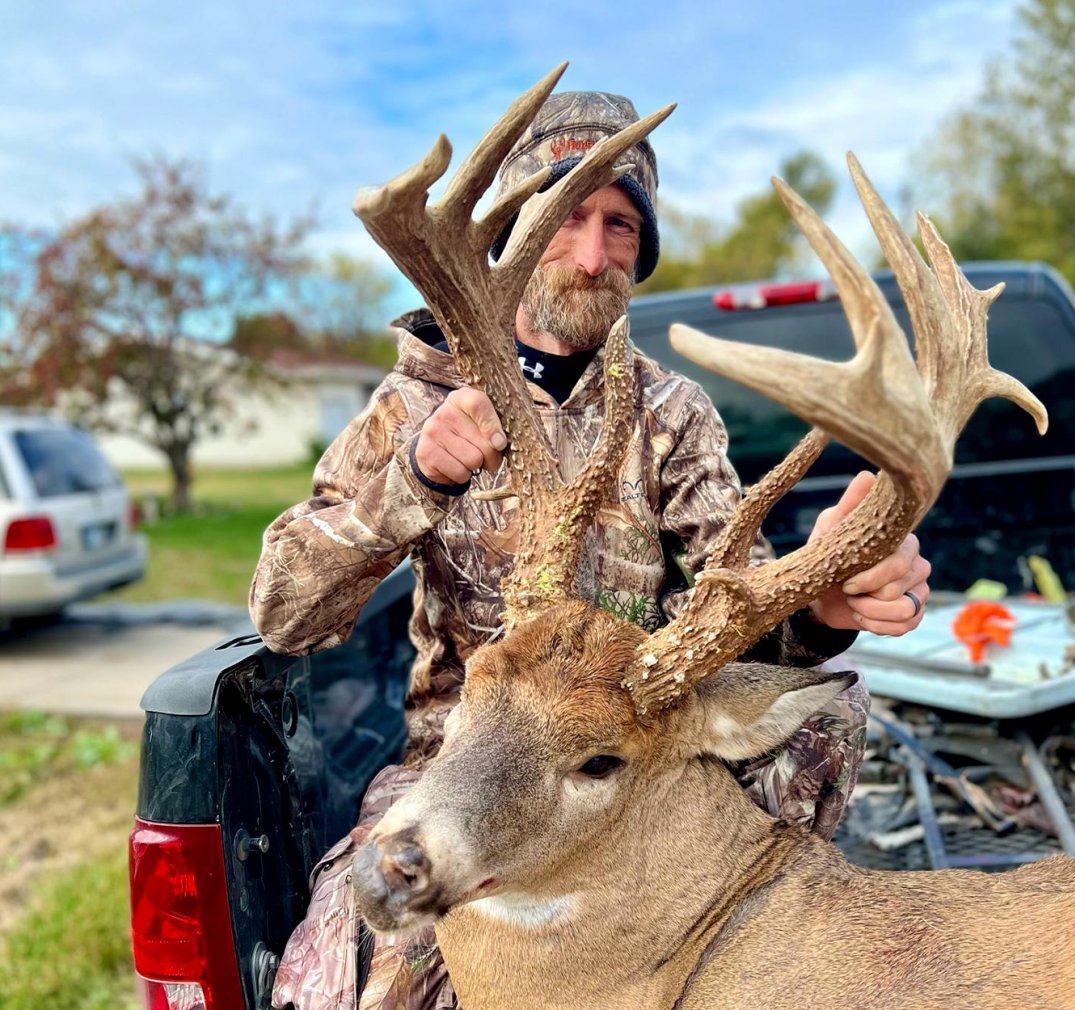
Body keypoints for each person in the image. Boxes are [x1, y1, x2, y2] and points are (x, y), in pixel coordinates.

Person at [252, 90, 931, 1010]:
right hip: (465, 754)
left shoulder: (674, 415)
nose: (592, 253)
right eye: (566, 215)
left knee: (825, 722)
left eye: (619, 225)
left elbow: (728, 602)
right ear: (516, 232)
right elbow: (283, 612)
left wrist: (819, 607)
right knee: (348, 982)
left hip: (623, 757)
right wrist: (413, 479)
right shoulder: (410, 406)